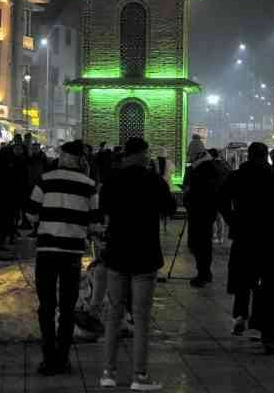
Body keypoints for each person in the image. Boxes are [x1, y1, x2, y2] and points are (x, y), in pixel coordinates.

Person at [99, 137, 176, 391]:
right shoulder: (152, 180)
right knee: (141, 318)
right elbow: (170, 208)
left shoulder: (111, 180)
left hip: (117, 253)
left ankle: (108, 372)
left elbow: (104, 210)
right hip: (144, 254)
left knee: (114, 314)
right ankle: (139, 376)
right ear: (142, 155)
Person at [27, 140, 102, 375]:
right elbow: (95, 223)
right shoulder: (90, 185)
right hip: (72, 253)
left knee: (47, 306)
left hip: (47, 252)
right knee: (68, 307)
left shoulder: (45, 179)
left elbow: (31, 213)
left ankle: (48, 358)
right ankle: (62, 358)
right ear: (81, 159)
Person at [218, 142, 274, 356]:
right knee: (268, 288)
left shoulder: (237, 176)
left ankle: (241, 315)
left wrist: (231, 219)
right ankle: (262, 330)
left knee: (243, 279)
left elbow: (222, 198)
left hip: (245, 236)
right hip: (272, 241)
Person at [182, 147, 224, 287]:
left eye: (191, 155)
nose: (190, 158)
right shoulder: (205, 167)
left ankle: (204, 274)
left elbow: (202, 191)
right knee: (200, 244)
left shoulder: (205, 169)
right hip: (202, 211)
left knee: (201, 245)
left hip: (202, 211)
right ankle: (204, 273)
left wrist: (189, 195)